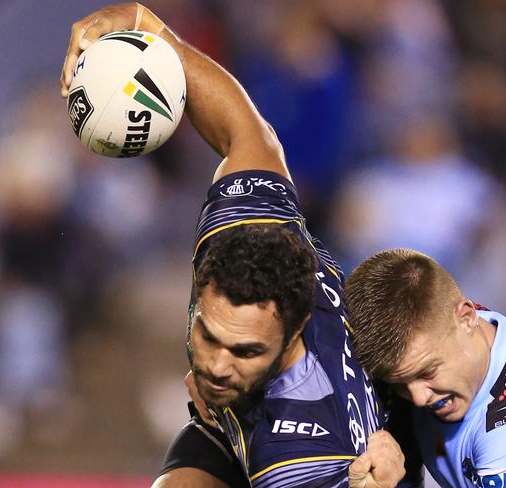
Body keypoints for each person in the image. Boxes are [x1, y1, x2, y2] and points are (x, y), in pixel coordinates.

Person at [61, 4, 414, 488]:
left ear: (295, 333)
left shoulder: (301, 461)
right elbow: (245, 131)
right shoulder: (240, 227)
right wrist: (148, 26)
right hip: (232, 423)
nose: (217, 366)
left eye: (245, 350)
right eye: (209, 336)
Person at [344, 248, 506, 487]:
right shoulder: (456, 325)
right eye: (398, 383)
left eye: (427, 372)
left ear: (467, 318)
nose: (418, 398)